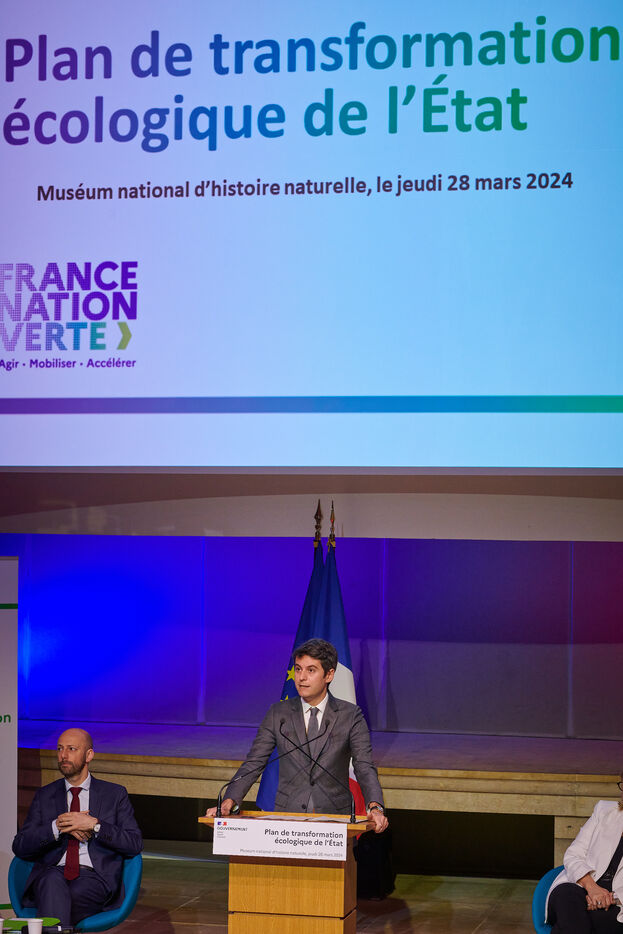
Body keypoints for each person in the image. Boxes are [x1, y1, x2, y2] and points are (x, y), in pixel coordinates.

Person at [206, 638, 388, 833]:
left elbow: (364, 766)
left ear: (329, 675)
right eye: (298, 669)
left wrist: (375, 807)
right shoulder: (278, 714)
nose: (301, 677)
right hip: (288, 818)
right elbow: (254, 762)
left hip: (335, 818)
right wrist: (229, 800)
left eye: (311, 670)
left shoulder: (350, 716)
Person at [13, 728, 143, 929]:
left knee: (56, 898)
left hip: (94, 878)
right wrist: (57, 827)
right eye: (60, 749)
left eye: (71, 749)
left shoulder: (114, 794)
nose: (63, 755)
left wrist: (94, 825)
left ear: (89, 755)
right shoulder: (45, 795)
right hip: (51, 874)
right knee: (51, 881)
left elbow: (134, 843)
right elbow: (20, 846)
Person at [545, 776, 623, 933]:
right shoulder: (604, 810)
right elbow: (573, 854)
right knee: (567, 900)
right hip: (579, 885)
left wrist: (609, 898)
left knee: (576, 922)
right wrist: (592, 888)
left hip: (616, 902)